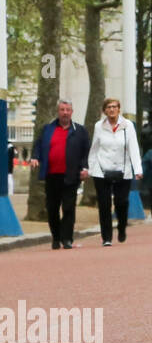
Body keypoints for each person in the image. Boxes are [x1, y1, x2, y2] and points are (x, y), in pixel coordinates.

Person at [32, 100, 90, 249]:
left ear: (72, 112)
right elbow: (38, 145)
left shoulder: (80, 131)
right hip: (52, 175)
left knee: (69, 208)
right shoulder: (47, 129)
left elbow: (86, 152)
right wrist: (35, 157)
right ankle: (56, 237)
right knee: (52, 208)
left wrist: (85, 167)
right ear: (58, 111)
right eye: (62, 109)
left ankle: (67, 239)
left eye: (68, 110)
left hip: (71, 175)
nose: (65, 112)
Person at [87, 98, 142, 247]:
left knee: (121, 202)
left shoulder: (128, 125)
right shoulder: (99, 126)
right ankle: (106, 237)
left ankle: (122, 227)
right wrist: (91, 167)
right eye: (109, 107)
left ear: (119, 109)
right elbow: (94, 148)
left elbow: (133, 148)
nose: (112, 110)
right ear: (104, 110)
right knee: (104, 204)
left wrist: (137, 169)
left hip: (122, 170)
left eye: (114, 107)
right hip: (101, 169)